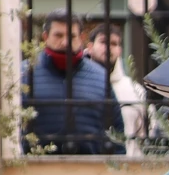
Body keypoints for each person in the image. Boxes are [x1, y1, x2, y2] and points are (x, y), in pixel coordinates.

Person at [22, 8, 125, 155]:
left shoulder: (99, 76)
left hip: (91, 171)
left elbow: (117, 131)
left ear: (81, 38)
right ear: (45, 37)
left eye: (71, 36)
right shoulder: (25, 73)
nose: (65, 42)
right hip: (34, 169)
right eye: (58, 35)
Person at [85, 23, 149, 156]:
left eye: (114, 44)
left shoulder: (135, 90)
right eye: (103, 42)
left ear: (120, 50)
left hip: (128, 170)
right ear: (90, 47)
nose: (109, 48)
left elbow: (148, 134)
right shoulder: (76, 85)